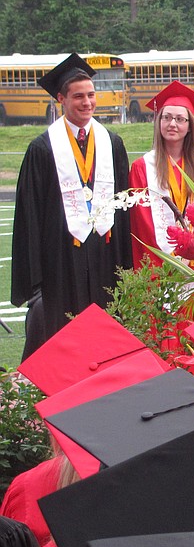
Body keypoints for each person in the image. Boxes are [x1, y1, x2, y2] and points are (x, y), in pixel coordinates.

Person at [11, 54, 131, 360]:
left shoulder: (111, 143)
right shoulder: (42, 148)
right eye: (78, 96)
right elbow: (31, 215)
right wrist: (36, 275)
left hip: (104, 254)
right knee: (64, 338)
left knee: (106, 335)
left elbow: (122, 208)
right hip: (60, 260)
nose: (87, 103)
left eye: (91, 95)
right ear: (61, 98)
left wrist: (124, 264)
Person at [127, 81, 194, 268]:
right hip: (158, 263)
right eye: (166, 117)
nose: (172, 124)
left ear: (190, 125)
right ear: (158, 121)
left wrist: (190, 249)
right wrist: (172, 255)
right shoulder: (142, 168)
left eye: (180, 119)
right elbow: (141, 223)